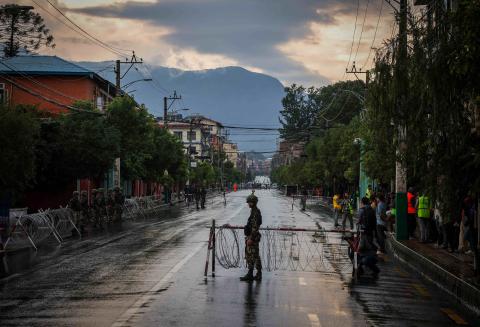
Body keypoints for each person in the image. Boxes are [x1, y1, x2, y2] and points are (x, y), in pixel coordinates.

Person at [240, 192, 262, 282]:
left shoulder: (255, 213)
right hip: (252, 236)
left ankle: (254, 273)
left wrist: (251, 238)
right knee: (253, 256)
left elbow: (255, 227)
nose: (248, 204)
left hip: (253, 238)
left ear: (253, 202)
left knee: (253, 256)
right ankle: (253, 273)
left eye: (249, 202)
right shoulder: (254, 211)